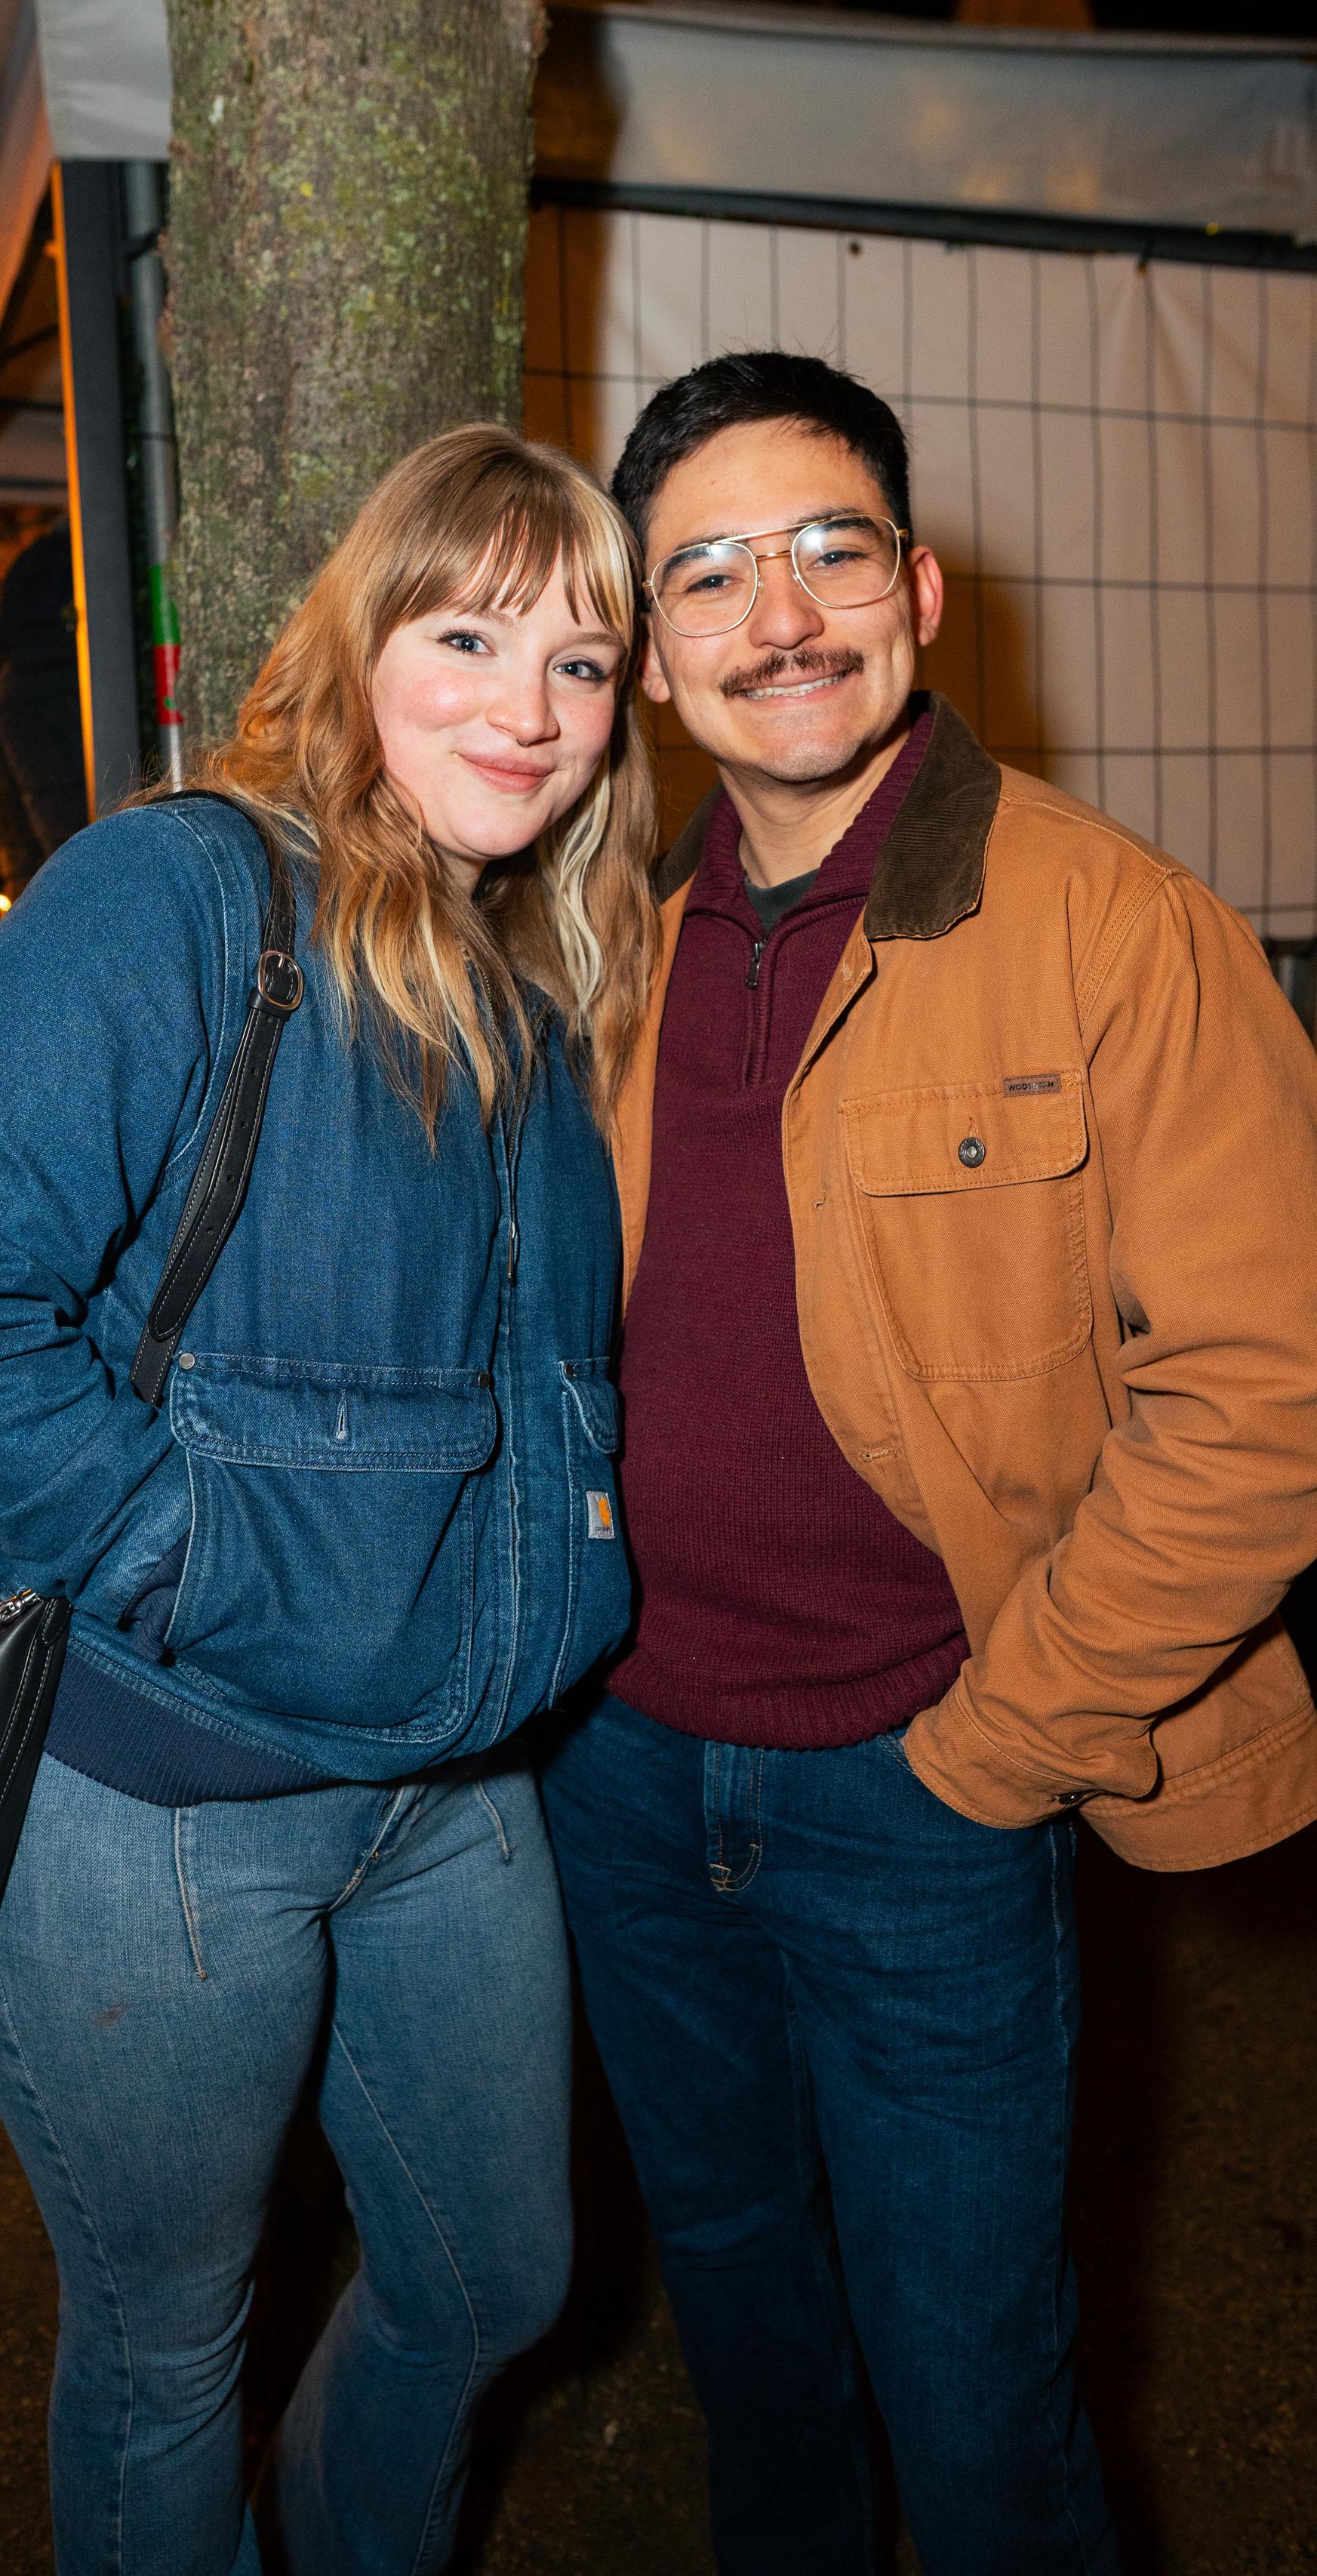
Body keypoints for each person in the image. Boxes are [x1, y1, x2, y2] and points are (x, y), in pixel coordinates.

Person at [540, 350, 1317, 2576]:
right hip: (619, 1779)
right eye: (708, 572)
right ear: (655, 653)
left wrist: (996, 1748)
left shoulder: (1119, 929)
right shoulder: (602, 945)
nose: (776, 613)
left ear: (921, 585)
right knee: (756, 2349)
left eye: (825, 549)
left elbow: (1271, 1399)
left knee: (979, 2413)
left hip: (924, 1789)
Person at [0, 424, 659, 2576]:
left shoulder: (525, 976)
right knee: (165, 2346)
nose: (530, 705)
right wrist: (189, 1555)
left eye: (584, 663)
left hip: (448, 1785)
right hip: (155, 1802)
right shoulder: (189, 893)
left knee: (500, 2272)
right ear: (360, 640)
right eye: (473, 632)